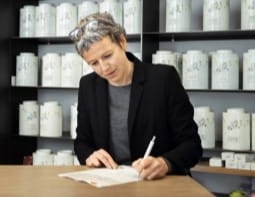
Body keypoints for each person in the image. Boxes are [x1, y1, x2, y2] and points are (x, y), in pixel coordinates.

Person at [69, 12, 202, 180]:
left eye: (108, 55)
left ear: (122, 42)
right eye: (94, 63)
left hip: (158, 183)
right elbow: (82, 142)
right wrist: (90, 155)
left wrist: (165, 163)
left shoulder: (163, 79)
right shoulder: (88, 85)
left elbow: (192, 145)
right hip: (109, 182)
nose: (104, 68)